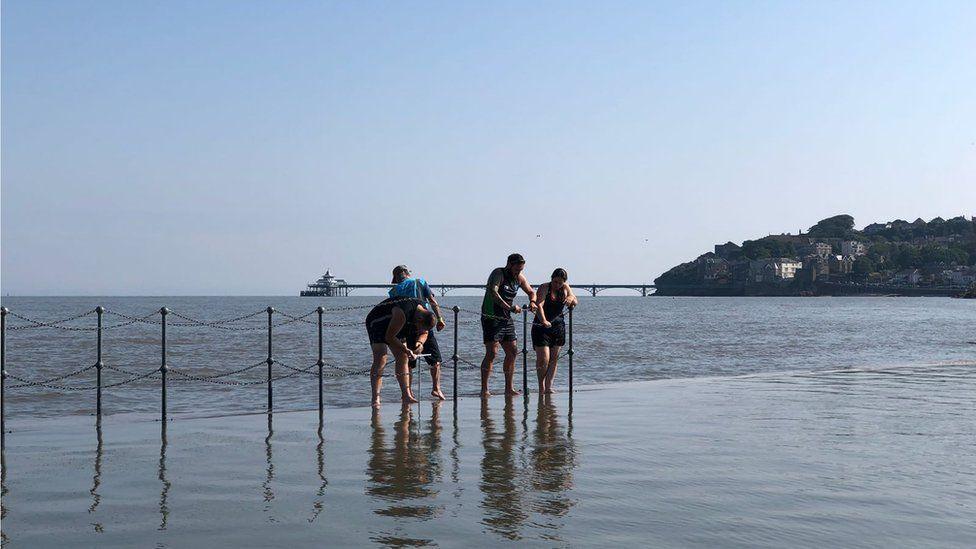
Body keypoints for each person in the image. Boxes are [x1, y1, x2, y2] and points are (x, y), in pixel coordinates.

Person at [480, 253, 537, 398]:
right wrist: (509, 307)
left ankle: (508, 388)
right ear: (509, 265)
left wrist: (532, 302)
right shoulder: (498, 273)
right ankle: (485, 389)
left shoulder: (519, 278)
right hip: (491, 316)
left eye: (521, 270)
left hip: (506, 319)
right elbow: (493, 292)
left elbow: (531, 292)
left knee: (512, 351)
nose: (519, 272)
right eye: (517, 269)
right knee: (492, 353)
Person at [365, 296, 437, 407]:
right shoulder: (402, 313)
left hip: (398, 327)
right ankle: (375, 398)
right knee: (381, 358)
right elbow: (389, 337)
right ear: (419, 319)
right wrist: (407, 350)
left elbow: (424, 333)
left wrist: (419, 344)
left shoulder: (425, 311)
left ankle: (406, 395)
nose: (417, 329)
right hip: (378, 322)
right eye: (418, 326)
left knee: (403, 357)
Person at [389, 265, 448, 400]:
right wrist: (440, 319)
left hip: (405, 326)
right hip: (425, 322)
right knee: (435, 359)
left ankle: (409, 393)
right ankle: (436, 388)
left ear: (399, 275)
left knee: (408, 361)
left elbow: (394, 311)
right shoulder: (420, 282)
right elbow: (433, 301)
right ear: (406, 273)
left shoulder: (394, 290)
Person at [532, 268, 578, 394]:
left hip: (558, 327)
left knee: (554, 358)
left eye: (560, 282)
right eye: (555, 281)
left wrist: (571, 298)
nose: (557, 284)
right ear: (551, 279)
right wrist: (544, 320)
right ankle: (541, 386)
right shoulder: (544, 287)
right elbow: (539, 305)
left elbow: (575, 300)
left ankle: (549, 387)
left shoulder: (565, 287)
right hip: (542, 326)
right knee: (544, 359)